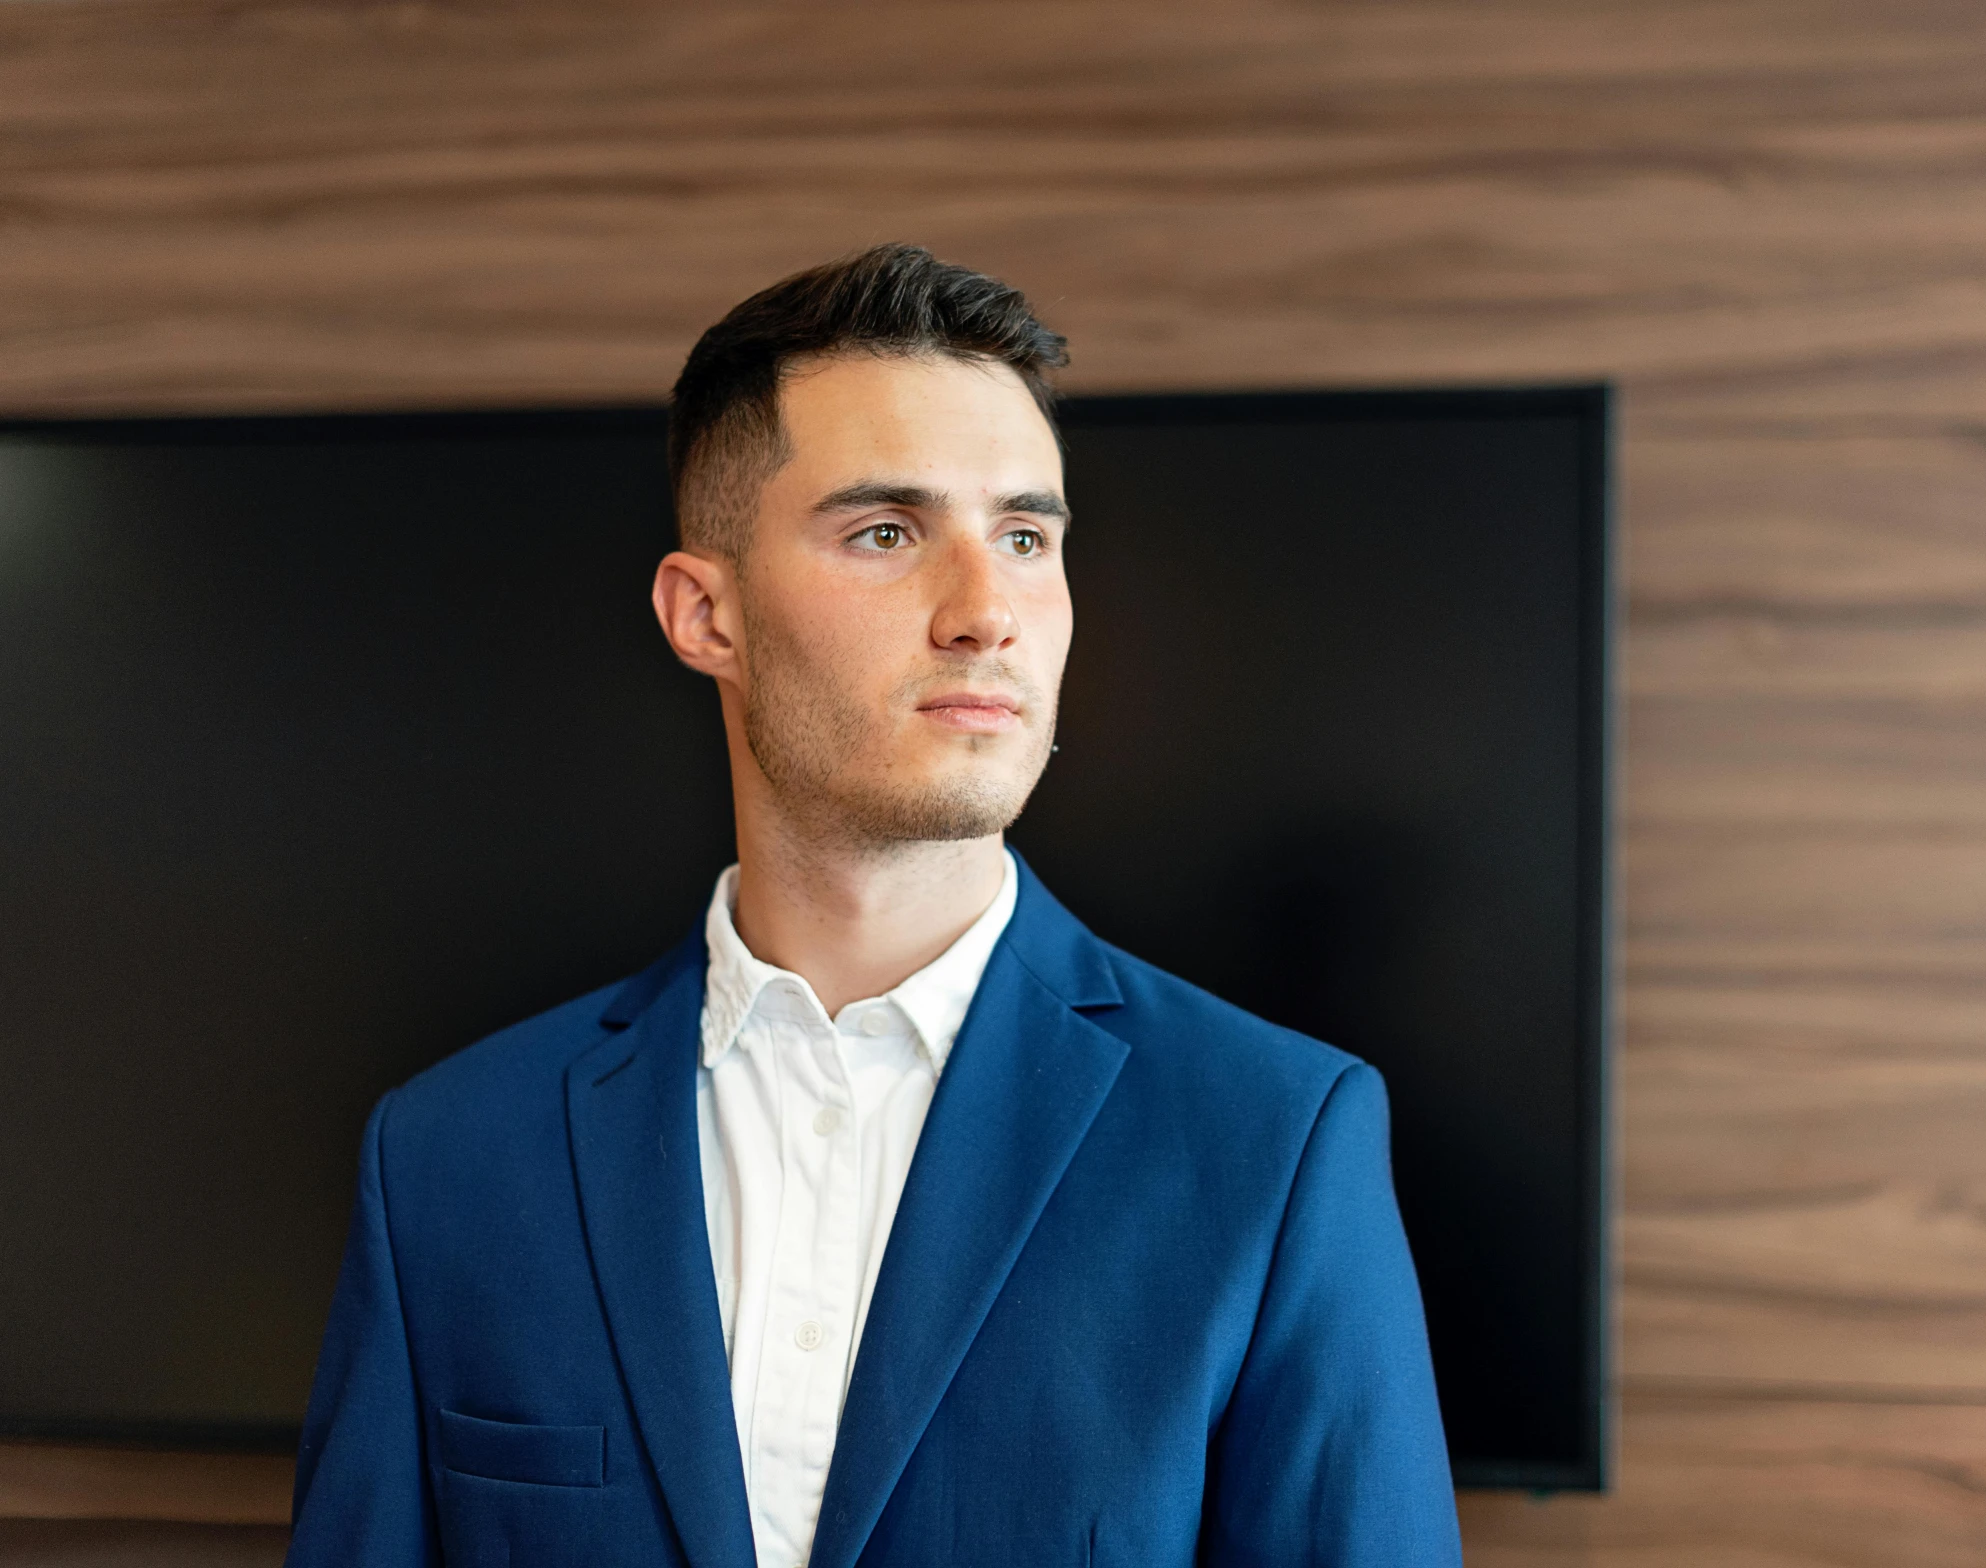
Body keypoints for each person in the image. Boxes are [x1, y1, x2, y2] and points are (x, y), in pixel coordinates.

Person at [286, 244, 1460, 1568]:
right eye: (887, 532)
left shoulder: (1274, 1141)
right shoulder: (449, 1157)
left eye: (1024, 535)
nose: (986, 611)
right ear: (705, 614)